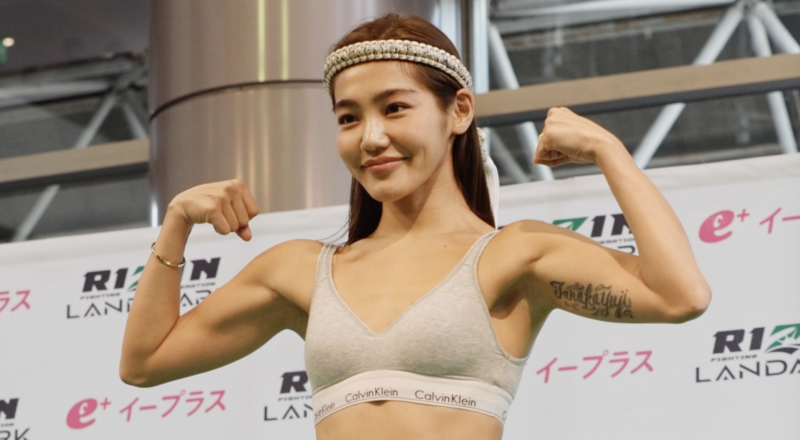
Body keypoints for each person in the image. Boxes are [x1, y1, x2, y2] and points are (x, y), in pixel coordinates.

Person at [120, 13, 711, 440]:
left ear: (459, 111)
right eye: (348, 118)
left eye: (395, 107)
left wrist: (608, 150)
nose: (371, 137)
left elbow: (679, 296)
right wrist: (176, 224)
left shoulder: (514, 255)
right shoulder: (300, 271)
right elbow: (145, 362)